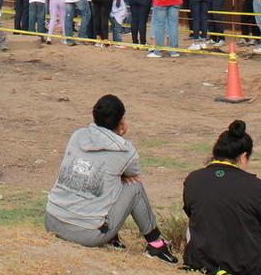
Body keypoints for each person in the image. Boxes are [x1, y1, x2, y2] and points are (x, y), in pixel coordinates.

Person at [45, 94, 178, 262]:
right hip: (88, 234)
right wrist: (120, 139)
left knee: (105, 178)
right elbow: (132, 174)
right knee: (134, 187)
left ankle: (113, 238)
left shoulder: (77, 135)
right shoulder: (125, 150)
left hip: (52, 221)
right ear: (121, 121)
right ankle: (157, 245)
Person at [183, 121, 261, 275]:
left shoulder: (193, 179)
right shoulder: (257, 187)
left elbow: (193, 215)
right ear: (243, 157)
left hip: (203, 262)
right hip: (249, 269)